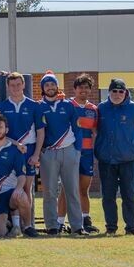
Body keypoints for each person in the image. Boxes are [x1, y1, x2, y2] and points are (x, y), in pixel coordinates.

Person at [30, 72, 86, 236]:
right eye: (46, 85)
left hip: (69, 151)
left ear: (57, 86)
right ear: (42, 88)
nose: (50, 87)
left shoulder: (68, 105)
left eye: (52, 84)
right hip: (49, 152)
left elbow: (77, 128)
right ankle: (52, 226)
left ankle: (77, 226)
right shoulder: (39, 107)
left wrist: (77, 151)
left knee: (72, 190)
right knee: (49, 192)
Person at [95, 78, 134, 235]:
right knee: (108, 196)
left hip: (128, 160)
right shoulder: (101, 109)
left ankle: (131, 228)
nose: (117, 94)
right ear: (109, 92)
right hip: (106, 159)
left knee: (129, 195)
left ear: (125, 93)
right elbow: (94, 129)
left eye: (120, 91)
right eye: (114, 91)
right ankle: (111, 227)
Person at [0, 72, 39, 228]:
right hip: (10, 151)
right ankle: (16, 226)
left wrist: (36, 154)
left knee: (27, 188)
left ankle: (29, 225)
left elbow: (41, 132)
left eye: (18, 84)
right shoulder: (1, 107)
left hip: (30, 150)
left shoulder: (34, 106)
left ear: (24, 85)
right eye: (12, 85)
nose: (16, 88)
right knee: (13, 188)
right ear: (7, 86)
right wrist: (15, 144)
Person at [0, 112, 34, 237]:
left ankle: (27, 227)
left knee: (21, 196)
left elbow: (21, 175)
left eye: (1, 127)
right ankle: (9, 223)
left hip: (9, 193)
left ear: (6, 129)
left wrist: (19, 188)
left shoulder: (15, 150)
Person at [58, 74, 100, 233]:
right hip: (70, 151)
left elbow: (95, 131)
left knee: (83, 189)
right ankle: (60, 222)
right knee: (66, 189)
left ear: (90, 90)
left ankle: (85, 220)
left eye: (86, 87)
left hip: (87, 153)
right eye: (80, 87)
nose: (83, 90)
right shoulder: (67, 104)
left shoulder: (94, 109)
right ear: (75, 89)